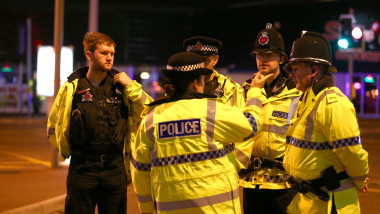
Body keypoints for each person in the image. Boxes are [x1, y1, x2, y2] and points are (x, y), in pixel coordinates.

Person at [130, 51, 269, 214]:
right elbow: (251, 125)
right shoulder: (212, 110)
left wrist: (147, 209)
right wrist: (255, 92)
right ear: (196, 83)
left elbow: (139, 170)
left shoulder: (151, 118)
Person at [47, 32, 152, 214]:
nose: (109, 57)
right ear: (89, 55)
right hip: (82, 167)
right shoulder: (72, 88)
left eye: (112, 53)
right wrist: (66, 150)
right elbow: (53, 125)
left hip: (114, 168)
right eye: (104, 53)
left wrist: (132, 86)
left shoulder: (123, 87)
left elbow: (150, 111)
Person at [283, 31, 369, 213]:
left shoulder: (334, 104)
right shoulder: (306, 99)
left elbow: (351, 151)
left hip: (332, 203)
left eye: (296, 68)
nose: (291, 74)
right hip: (310, 201)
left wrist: (360, 180)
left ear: (313, 71)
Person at [235, 23, 301, 214]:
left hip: (284, 184)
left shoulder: (295, 92)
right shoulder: (246, 90)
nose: (262, 59)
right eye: (258, 55)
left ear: (281, 59)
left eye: (268, 55)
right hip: (251, 182)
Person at [183, 36, 245, 107]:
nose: (199, 65)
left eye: (204, 60)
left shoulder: (230, 88)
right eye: (194, 60)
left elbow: (240, 117)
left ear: (215, 60)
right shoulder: (177, 86)